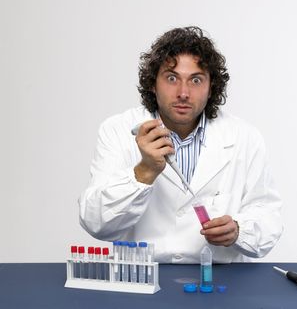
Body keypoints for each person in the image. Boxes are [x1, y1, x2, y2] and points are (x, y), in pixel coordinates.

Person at [79, 26, 283, 263]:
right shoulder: (117, 130)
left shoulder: (244, 137)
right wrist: (144, 171)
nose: (183, 92)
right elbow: (96, 223)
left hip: (220, 280)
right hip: (143, 278)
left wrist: (239, 230)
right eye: (172, 78)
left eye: (196, 80)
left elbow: (268, 215)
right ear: (153, 84)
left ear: (210, 88)